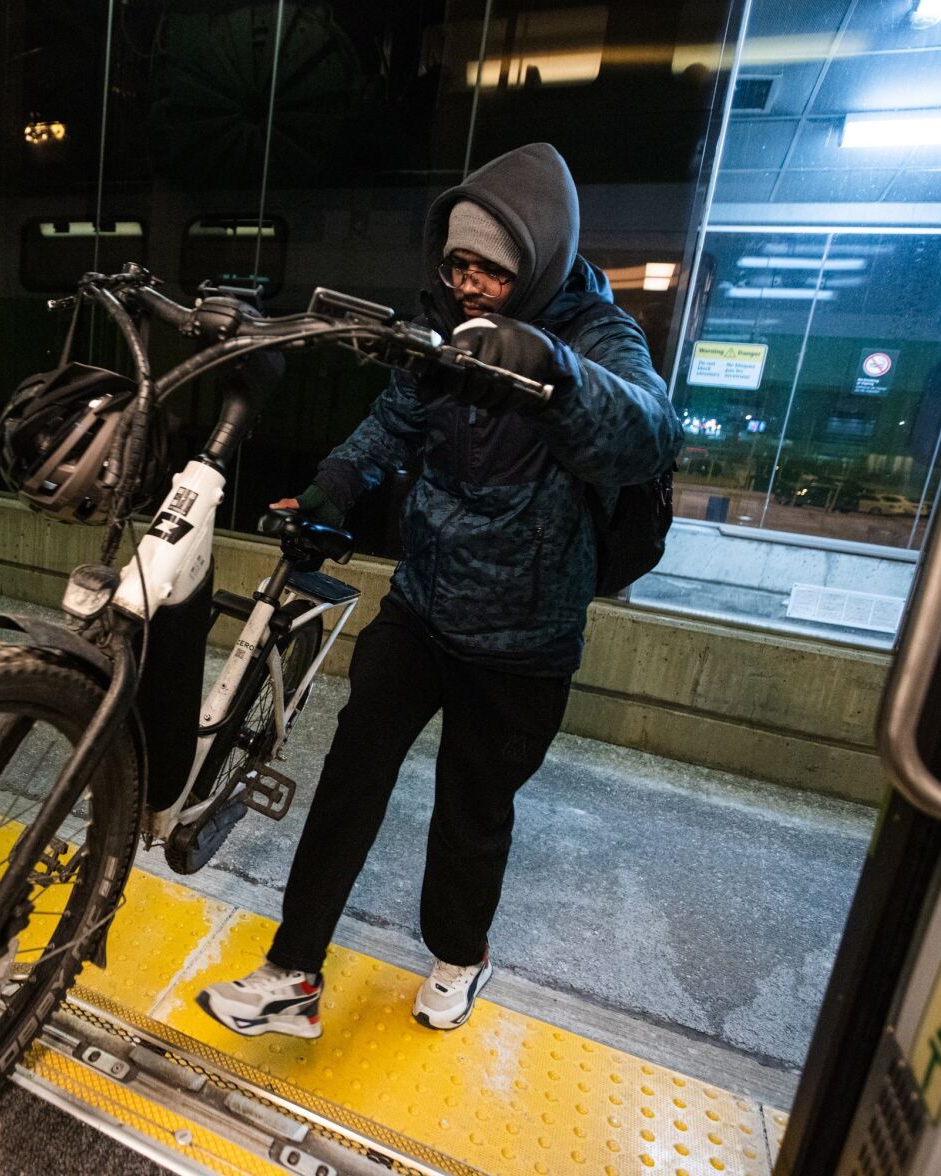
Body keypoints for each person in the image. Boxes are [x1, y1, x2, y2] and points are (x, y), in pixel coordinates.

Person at [197, 143, 680, 1037]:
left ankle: (461, 955)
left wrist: (547, 367)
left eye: (490, 269)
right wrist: (329, 488)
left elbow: (647, 432)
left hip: (524, 640)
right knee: (348, 779)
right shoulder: (445, 329)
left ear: (535, 261)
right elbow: (390, 423)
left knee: (471, 810)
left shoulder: (594, 336)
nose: (467, 284)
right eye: (456, 264)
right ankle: (291, 973)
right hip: (422, 607)